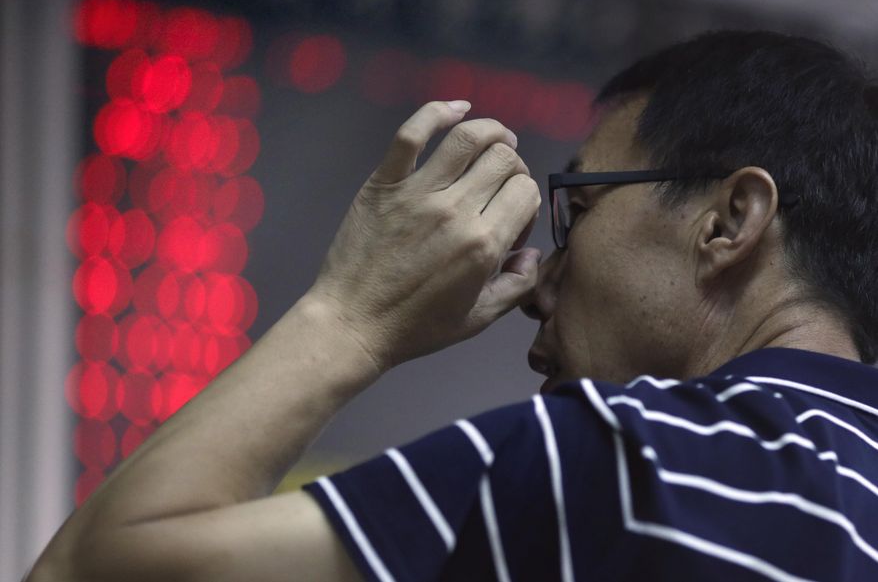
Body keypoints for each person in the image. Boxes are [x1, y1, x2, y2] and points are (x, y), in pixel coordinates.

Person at [26, 29, 878, 581]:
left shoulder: (612, 463)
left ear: (730, 220)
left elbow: (94, 569)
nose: (540, 282)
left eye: (576, 213)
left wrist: (352, 313)